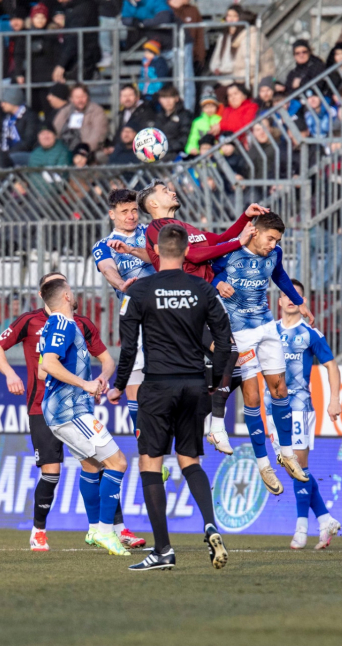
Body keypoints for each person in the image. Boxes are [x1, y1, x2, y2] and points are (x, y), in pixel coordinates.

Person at [0, 271, 144, 552]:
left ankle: (105, 529)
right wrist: (11, 374)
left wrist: (100, 380)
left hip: (71, 404)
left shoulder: (78, 323)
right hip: (53, 406)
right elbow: (25, 358)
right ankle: (41, 530)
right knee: (60, 471)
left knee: (96, 463)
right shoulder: (40, 322)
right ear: (55, 294)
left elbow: (106, 360)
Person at [107, 224, 232, 571]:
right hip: (194, 385)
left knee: (151, 462)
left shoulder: (141, 290)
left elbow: (129, 348)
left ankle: (163, 551)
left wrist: (118, 385)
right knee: (190, 460)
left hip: (158, 386)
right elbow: (225, 340)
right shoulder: (203, 288)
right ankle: (209, 523)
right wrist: (213, 380)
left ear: (156, 252)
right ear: (186, 253)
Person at [207, 212, 312, 492]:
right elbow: (205, 271)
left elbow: (279, 275)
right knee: (251, 396)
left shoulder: (274, 253)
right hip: (239, 331)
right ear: (254, 232)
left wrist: (299, 302)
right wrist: (217, 282)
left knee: (280, 390)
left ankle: (287, 453)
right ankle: (263, 463)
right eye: (270, 238)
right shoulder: (230, 251)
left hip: (266, 326)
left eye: (277, 240)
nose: (273, 244)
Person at [37, 277, 130, 556]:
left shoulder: (56, 325)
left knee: (91, 466)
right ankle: (105, 531)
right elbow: (50, 364)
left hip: (67, 408)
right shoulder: (63, 324)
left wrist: (91, 384)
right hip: (69, 411)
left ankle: (93, 529)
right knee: (118, 462)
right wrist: (85, 385)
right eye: (72, 291)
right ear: (66, 296)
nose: (75, 294)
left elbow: (46, 367)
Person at [265, 285, 342, 549]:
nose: (290, 299)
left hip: (299, 406)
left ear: (303, 302)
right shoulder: (269, 331)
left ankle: (301, 528)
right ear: (278, 301)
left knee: (298, 463)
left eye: (295, 296)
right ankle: (325, 519)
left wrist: (334, 399)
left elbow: (332, 365)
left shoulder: (310, 334)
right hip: (272, 408)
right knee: (293, 467)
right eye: (286, 294)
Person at [92, 188, 156, 432]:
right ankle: (147, 452)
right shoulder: (102, 246)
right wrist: (121, 284)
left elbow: (159, 258)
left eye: (133, 210)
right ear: (112, 214)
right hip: (136, 316)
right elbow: (108, 270)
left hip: (164, 309)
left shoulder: (151, 233)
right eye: (124, 212)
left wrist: (130, 250)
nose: (131, 216)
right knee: (135, 387)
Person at [52, 84, 108, 153]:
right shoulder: (65, 111)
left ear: (88, 97)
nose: (80, 100)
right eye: (77, 97)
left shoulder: (97, 111)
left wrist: (83, 149)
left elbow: (98, 136)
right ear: (71, 99)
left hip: (88, 151)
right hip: (65, 150)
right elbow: (55, 130)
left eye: (83, 96)